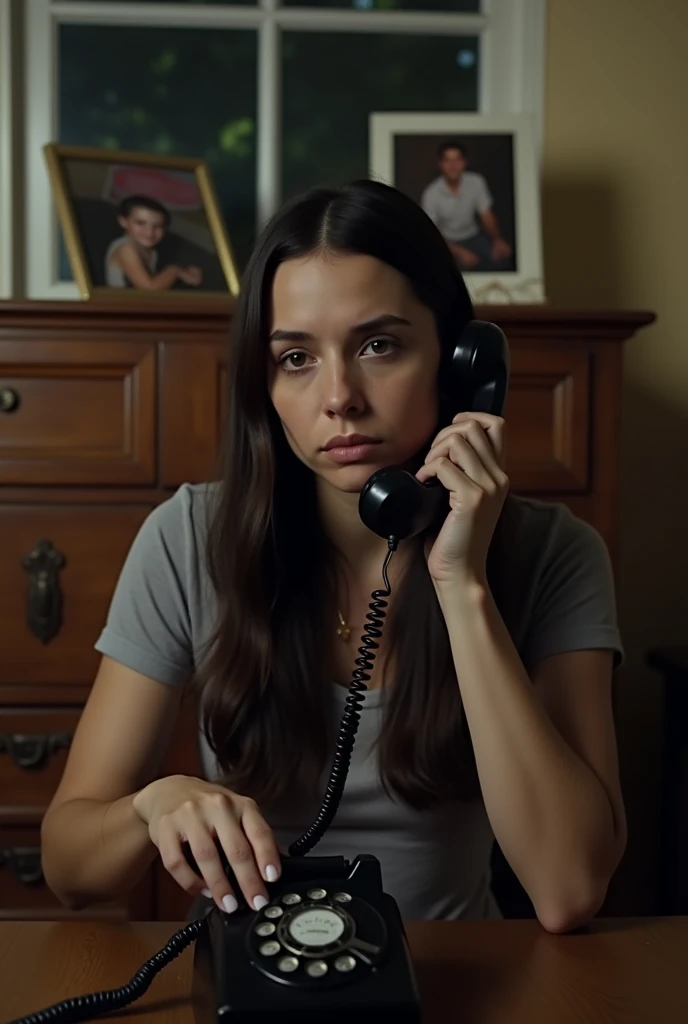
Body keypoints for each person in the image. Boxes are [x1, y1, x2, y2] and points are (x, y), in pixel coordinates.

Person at [41, 179, 626, 933]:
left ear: (458, 365)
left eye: (379, 345)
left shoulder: (557, 553)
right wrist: (155, 803)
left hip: (457, 981)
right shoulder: (187, 536)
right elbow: (68, 869)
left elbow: (570, 888)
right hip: (257, 983)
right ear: (265, 380)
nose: (340, 396)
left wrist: (462, 584)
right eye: (295, 357)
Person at [421, 141, 513, 272]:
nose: (453, 166)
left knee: (502, 262)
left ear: (465, 162)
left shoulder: (476, 181)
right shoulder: (431, 194)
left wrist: (497, 239)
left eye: (457, 160)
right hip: (447, 241)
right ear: (440, 164)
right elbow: (431, 233)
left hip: (473, 234)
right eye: (447, 160)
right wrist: (459, 252)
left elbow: (486, 215)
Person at [104, 194, 203, 290]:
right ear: (123, 221)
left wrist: (187, 273)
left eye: (157, 226)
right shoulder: (125, 249)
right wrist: (175, 271)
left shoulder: (152, 252)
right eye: (140, 223)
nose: (149, 233)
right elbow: (149, 289)